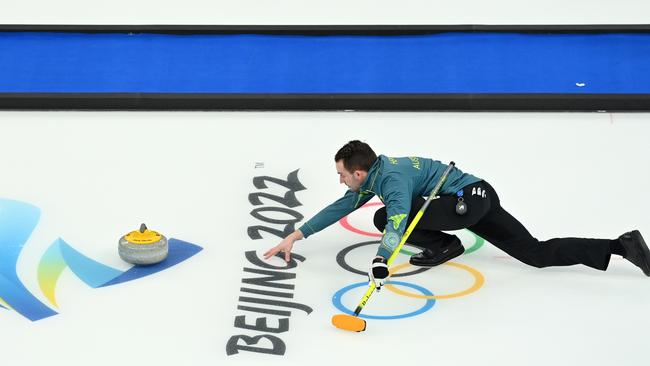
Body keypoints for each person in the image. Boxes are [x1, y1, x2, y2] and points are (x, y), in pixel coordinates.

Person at [264, 140, 650, 289]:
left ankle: (446, 246)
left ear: (359, 172)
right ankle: (620, 246)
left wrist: (382, 259)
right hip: (477, 197)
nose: (341, 181)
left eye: (342, 175)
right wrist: (297, 235)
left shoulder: (393, 181)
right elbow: (339, 207)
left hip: (464, 201)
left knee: (386, 219)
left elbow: (399, 217)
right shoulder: (375, 177)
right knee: (535, 253)